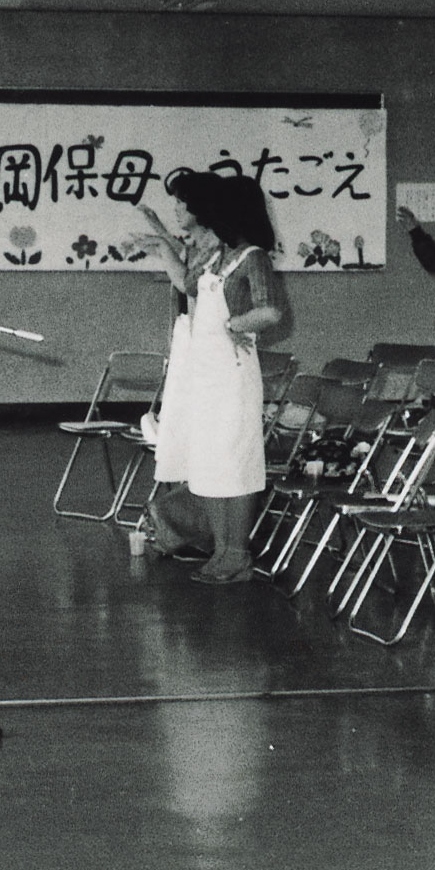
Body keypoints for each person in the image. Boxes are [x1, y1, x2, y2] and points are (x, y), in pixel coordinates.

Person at [137, 171, 284, 585]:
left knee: (235, 463)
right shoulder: (219, 255)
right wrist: (160, 243)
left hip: (232, 376)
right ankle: (221, 549)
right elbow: (187, 284)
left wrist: (237, 325)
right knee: (210, 464)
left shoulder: (253, 256)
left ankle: (237, 553)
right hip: (206, 373)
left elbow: (270, 311)